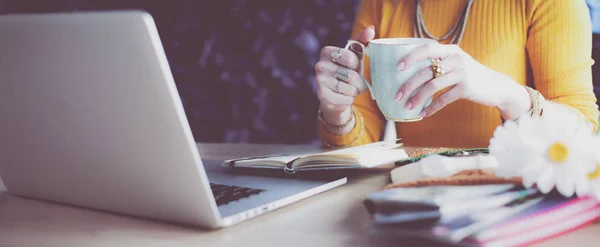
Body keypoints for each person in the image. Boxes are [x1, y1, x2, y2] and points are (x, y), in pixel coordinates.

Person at [315, 0, 600, 148]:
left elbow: (585, 131)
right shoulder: (383, 3)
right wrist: (338, 112)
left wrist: (505, 93)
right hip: (408, 197)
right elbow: (360, 147)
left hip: (511, 200)